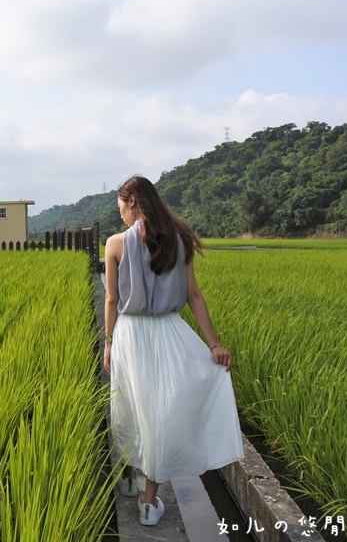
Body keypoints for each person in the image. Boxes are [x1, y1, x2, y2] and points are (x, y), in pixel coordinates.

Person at [103, 175, 244, 527]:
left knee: (132, 406)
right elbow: (194, 296)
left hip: (130, 334)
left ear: (133, 201)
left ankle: (130, 477)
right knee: (163, 413)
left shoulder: (115, 244)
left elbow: (111, 299)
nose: (120, 214)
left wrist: (107, 341)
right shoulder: (179, 240)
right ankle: (150, 502)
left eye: (121, 206)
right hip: (168, 331)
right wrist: (214, 344)